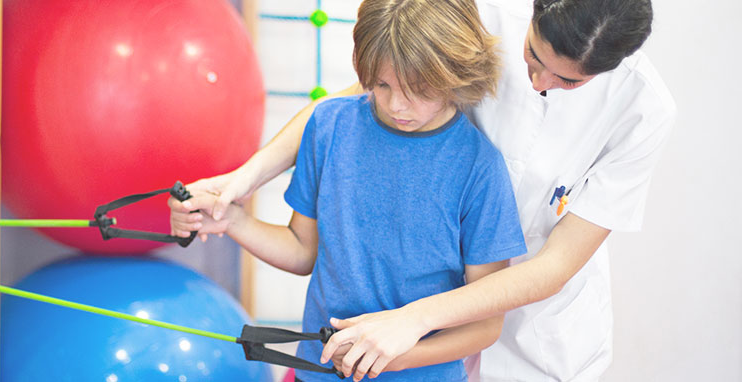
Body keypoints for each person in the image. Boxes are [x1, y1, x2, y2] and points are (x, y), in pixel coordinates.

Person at [170, 0, 675, 380]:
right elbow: (359, 98)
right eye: (532, 55)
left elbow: (553, 268)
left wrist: (403, 333)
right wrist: (242, 186)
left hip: (535, 328)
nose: (539, 80)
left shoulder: (639, 112)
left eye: (567, 81)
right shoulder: (478, 19)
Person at [182, 0, 527, 380]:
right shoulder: (330, 127)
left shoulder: (479, 168)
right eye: (382, 84)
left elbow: (484, 326)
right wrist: (234, 221)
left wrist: (394, 358)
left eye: (420, 89)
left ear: (455, 74)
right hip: (317, 369)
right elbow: (301, 250)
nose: (397, 105)